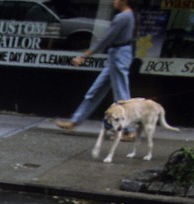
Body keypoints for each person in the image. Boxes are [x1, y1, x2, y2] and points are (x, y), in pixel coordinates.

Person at [55, 0, 137, 132]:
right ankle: (75, 121)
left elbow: (106, 39)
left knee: (121, 96)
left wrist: (83, 56)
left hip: (119, 55)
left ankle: (129, 130)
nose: (114, 1)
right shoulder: (130, 15)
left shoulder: (123, 17)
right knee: (96, 91)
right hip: (117, 55)